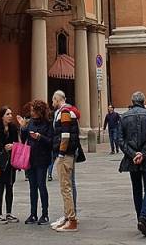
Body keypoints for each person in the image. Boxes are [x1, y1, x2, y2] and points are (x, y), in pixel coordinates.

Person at [117, 91, 146, 238]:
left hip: (132, 160)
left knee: (136, 189)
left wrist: (132, 154)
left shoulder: (124, 117)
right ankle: (143, 217)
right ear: (143, 101)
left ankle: (139, 218)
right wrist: (143, 153)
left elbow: (120, 139)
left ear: (132, 101)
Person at [50, 90, 82, 231]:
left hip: (65, 154)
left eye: (53, 100)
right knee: (66, 187)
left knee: (65, 188)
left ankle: (71, 220)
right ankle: (68, 217)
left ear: (58, 99)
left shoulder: (64, 113)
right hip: (69, 153)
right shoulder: (68, 111)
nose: (52, 103)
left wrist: (61, 154)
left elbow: (65, 135)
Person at [21, 100, 54, 225]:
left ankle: (45, 214)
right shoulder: (30, 123)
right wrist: (23, 128)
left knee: (41, 185)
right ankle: (33, 214)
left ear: (39, 111)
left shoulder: (47, 124)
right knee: (32, 187)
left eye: (33, 110)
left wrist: (39, 137)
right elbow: (24, 139)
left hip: (42, 159)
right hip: (31, 158)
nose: (31, 112)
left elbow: (50, 141)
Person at [0, 106, 19, 223]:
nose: (10, 116)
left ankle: (9, 213)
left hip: (11, 163)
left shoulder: (13, 128)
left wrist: (13, 146)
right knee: (0, 188)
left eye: (11, 113)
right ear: (2, 116)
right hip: (0, 162)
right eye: (7, 114)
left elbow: (18, 143)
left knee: (10, 188)